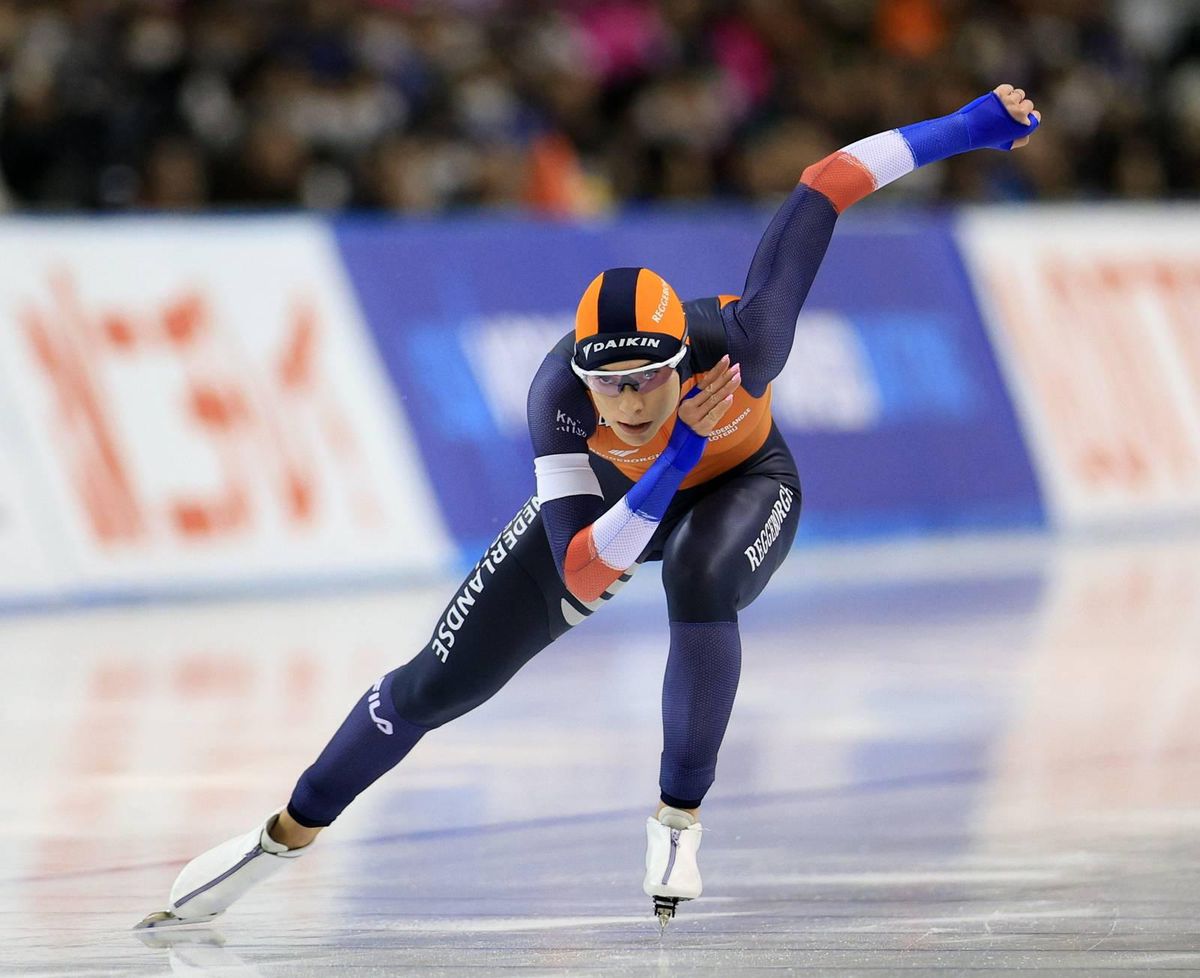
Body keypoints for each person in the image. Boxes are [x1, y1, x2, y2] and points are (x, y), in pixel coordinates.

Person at [137, 84, 1041, 932]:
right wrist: (678, 445)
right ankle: (275, 842)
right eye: (610, 384)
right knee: (434, 686)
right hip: (618, 511)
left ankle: (679, 816)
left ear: (683, 356)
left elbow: (826, 184)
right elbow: (583, 568)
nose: (631, 399)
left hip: (744, 486)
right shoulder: (555, 405)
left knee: (698, 573)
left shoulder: (747, 339)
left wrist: (966, 127)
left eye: (650, 378)